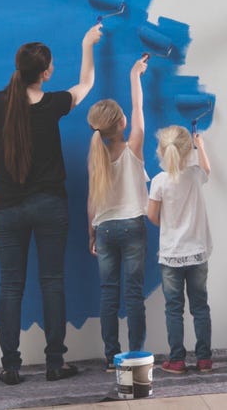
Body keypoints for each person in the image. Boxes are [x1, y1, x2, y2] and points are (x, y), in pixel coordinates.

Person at [0, 24, 102, 384]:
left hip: (7, 207)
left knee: (9, 286)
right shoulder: (54, 104)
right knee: (52, 282)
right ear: (45, 73)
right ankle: (54, 363)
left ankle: (10, 367)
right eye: (51, 65)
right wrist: (87, 44)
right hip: (50, 206)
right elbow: (87, 82)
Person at [87, 54, 149, 372]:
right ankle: (136, 355)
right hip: (133, 226)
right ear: (122, 123)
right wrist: (134, 75)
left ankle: (112, 357)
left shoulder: (95, 156)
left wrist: (91, 233)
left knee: (108, 294)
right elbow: (139, 109)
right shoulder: (133, 147)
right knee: (134, 294)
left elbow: (91, 201)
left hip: (105, 229)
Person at [148, 126, 213, 374]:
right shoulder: (195, 175)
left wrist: (169, 227)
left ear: (162, 151)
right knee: (200, 307)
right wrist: (201, 147)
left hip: (171, 256)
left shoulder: (159, 181)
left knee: (174, 309)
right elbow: (207, 169)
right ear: (188, 152)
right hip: (197, 254)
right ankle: (204, 359)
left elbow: (152, 215)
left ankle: (177, 360)